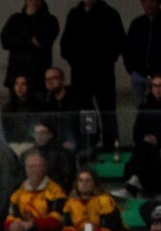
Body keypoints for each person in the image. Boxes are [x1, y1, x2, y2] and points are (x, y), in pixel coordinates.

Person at [61, 0, 125, 152]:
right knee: (85, 111)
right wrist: (74, 61)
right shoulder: (75, 14)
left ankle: (111, 147)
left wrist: (107, 59)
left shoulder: (109, 14)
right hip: (80, 73)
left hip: (103, 73)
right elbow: (66, 42)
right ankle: (88, 144)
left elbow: (120, 41)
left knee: (107, 110)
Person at [0, 0, 58, 94]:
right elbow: (5, 42)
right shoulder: (15, 19)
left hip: (38, 75)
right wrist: (29, 40)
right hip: (16, 74)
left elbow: (41, 41)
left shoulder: (50, 20)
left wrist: (20, 36)